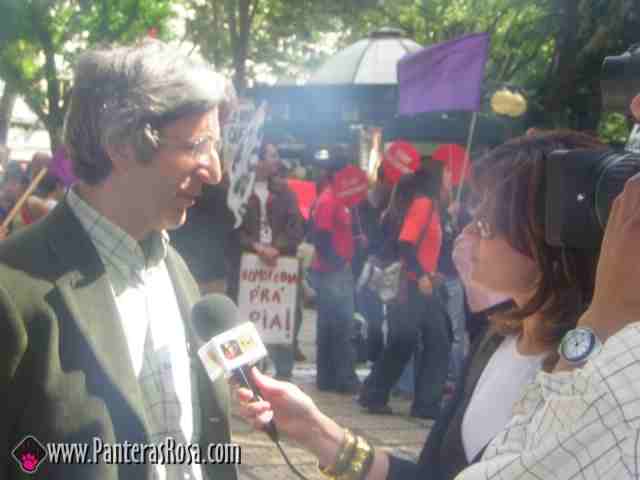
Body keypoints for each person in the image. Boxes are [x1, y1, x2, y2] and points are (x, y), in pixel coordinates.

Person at [236, 130, 607, 480]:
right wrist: (315, 431)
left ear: (549, 238)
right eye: (476, 215)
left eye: (488, 223)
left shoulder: (597, 375)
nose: (469, 231)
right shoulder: (496, 340)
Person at [0, 40, 238, 480]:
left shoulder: (175, 269)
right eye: (197, 145)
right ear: (122, 146)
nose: (214, 171)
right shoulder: (11, 293)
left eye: (215, 146)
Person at [358, 164, 449, 419]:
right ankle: (388, 396)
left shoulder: (431, 206)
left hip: (419, 286)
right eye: (448, 176)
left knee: (423, 341)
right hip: (411, 287)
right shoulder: (424, 204)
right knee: (415, 341)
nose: (450, 182)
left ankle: (387, 396)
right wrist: (421, 275)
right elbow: (406, 243)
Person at [226, 139, 305, 380]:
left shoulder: (286, 192)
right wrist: (255, 246)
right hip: (246, 269)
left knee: (283, 319)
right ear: (256, 160)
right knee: (243, 320)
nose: (276, 160)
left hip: (280, 269)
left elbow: (296, 227)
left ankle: (283, 374)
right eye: (272, 155)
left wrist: (276, 248)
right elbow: (232, 229)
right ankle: (244, 375)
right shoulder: (239, 191)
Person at [307, 145, 361, 394]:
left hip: (332, 270)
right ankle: (343, 379)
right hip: (333, 272)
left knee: (331, 327)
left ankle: (328, 378)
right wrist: (338, 261)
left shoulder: (335, 198)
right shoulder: (330, 199)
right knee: (342, 326)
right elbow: (321, 236)